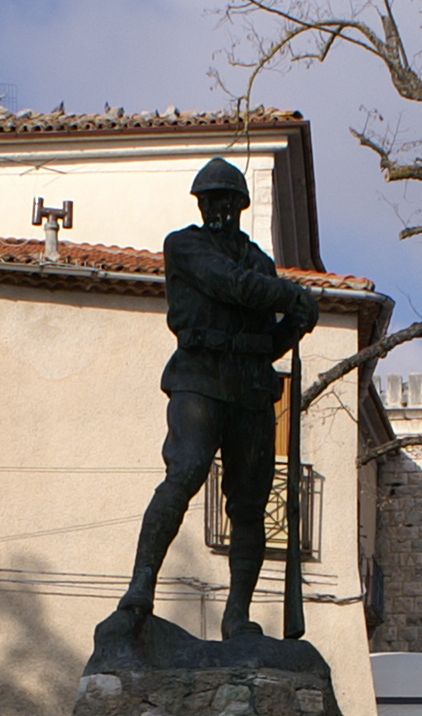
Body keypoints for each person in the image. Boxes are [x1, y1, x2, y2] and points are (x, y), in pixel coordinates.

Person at [115, 157, 320, 640]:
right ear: (201, 204)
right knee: (185, 471)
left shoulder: (260, 263)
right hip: (200, 376)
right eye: (210, 200)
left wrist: (297, 322)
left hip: (250, 386)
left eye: (226, 200)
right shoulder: (185, 246)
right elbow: (231, 287)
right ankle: (141, 586)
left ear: (240, 205)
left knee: (249, 506)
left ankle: (237, 617)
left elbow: (266, 344)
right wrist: (291, 295)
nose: (218, 208)